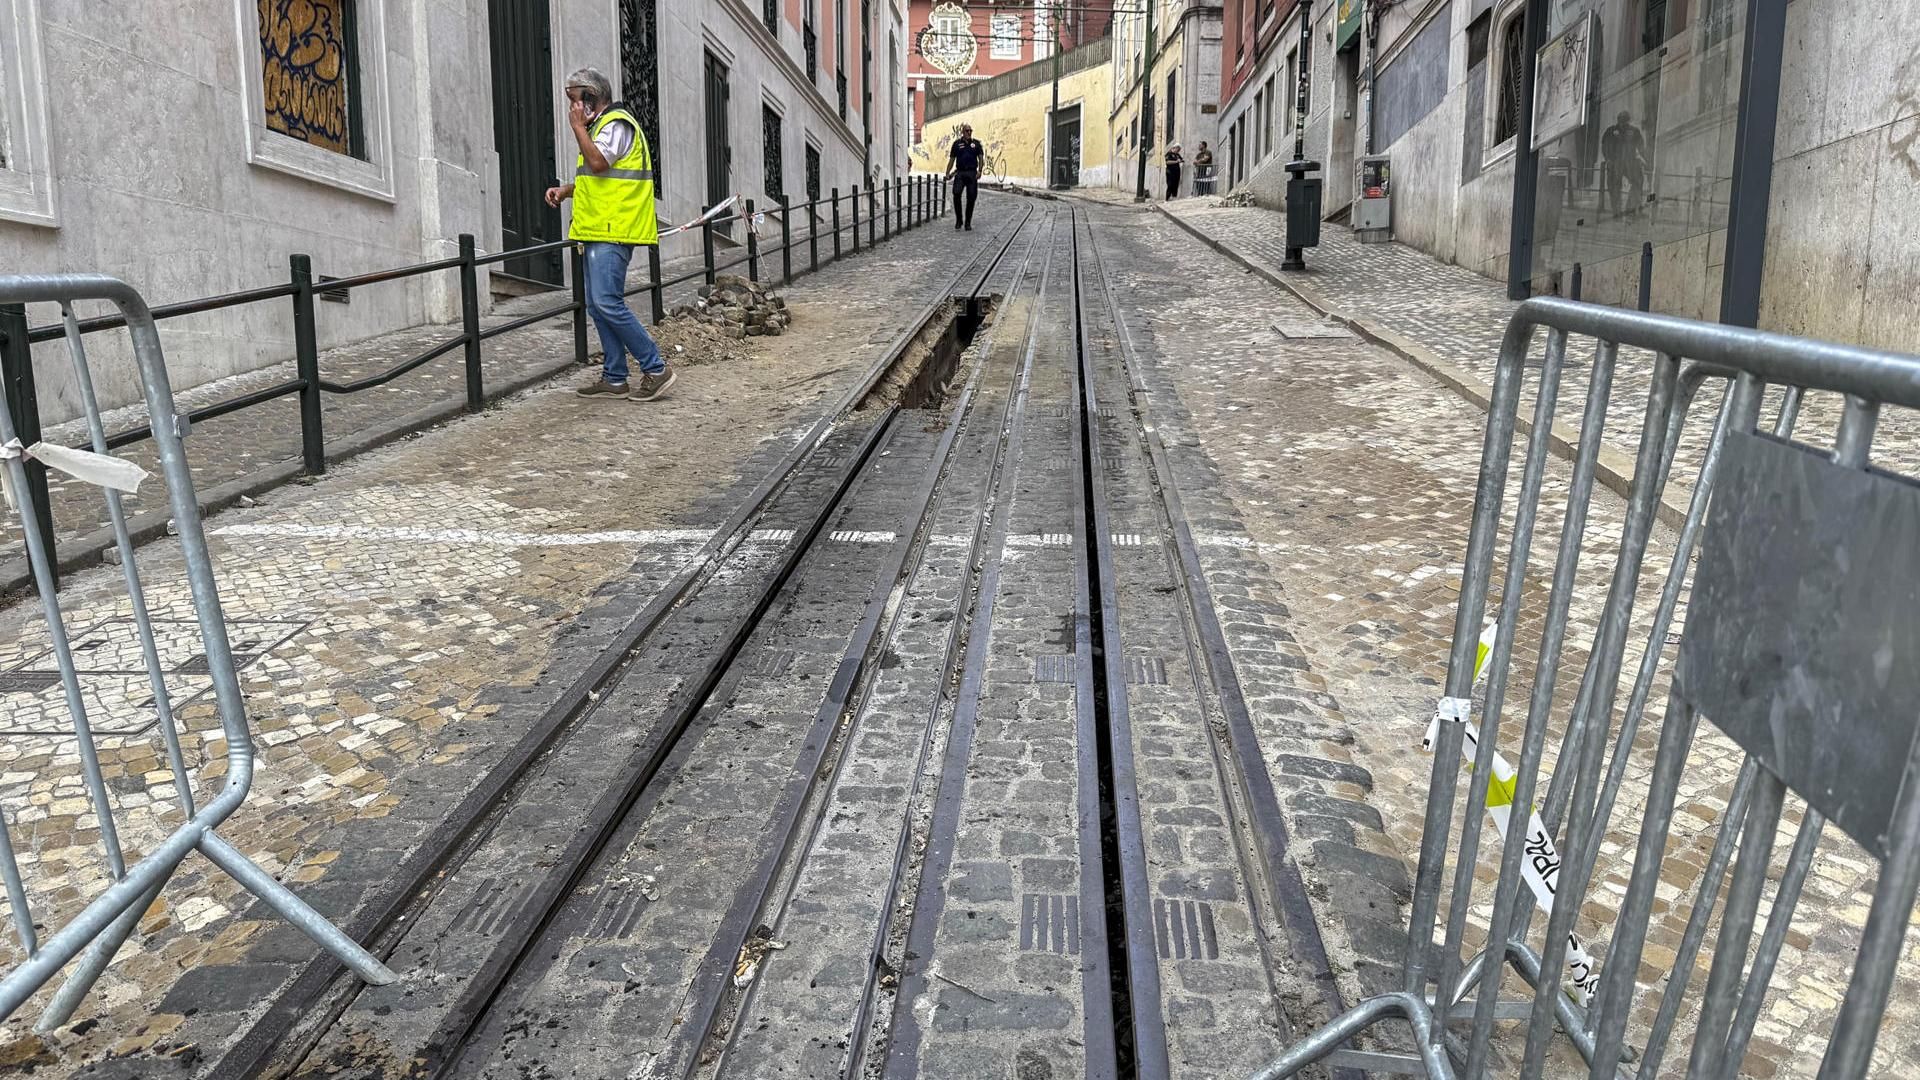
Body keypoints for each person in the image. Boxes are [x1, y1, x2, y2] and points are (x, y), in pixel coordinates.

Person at [545, 67, 675, 401]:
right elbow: (599, 176)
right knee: (597, 305)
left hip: (613, 229)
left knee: (606, 302)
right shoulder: (603, 127)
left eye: (575, 100)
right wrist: (568, 191)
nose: (572, 108)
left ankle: (656, 368)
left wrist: (577, 128)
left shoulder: (615, 124)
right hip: (600, 228)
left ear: (589, 98)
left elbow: (600, 162)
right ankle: (615, 376)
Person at [1601, 110, 1648, 218]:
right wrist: (1608, 159)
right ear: (1618, 120)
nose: (1623, 123)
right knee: (1614, 186)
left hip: (1630, 162)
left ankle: (1630, 209)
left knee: (1638, 181)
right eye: (1621, 120)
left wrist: (1642, 159)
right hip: (1615, 162)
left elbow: (1640, 146)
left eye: (1625, 120)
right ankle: (1616, 212)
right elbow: (1605, 146)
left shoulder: (1634, 131)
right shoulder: (1611, 131)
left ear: (1628, 121)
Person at [947, 124, 984, 230]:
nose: (969, 133)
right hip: (960, 173)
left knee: (971, 197)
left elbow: (981, 158)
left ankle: (968, 222)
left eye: (970, 131)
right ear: (962, 132)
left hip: (972, 173)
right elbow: (952, 159)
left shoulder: (976, 144)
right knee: (956, 194)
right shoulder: (957, 144)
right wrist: (948, 172)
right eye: (967, 131)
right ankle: (959, 220)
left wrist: (980, 170)